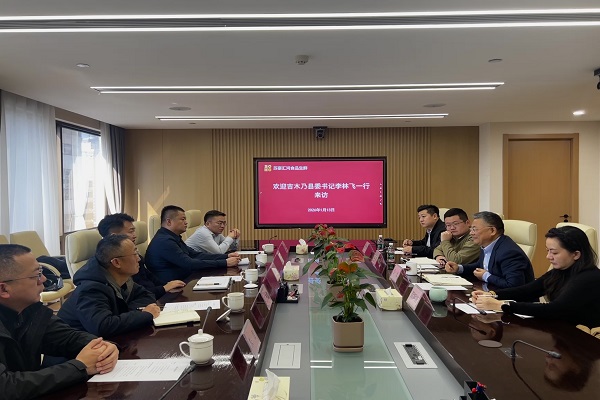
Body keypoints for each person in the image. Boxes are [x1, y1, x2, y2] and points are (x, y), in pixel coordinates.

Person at [0, 244, 118, 399]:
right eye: (36, 275)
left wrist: (104, 348)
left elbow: (68, 338)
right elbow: (6, 387)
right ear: (4, 289)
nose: (44, 279)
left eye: (41, 272)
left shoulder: (29, 309)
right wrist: (79, 367)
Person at [472, 226, 600, 327]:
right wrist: (492, 295)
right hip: (562, 331)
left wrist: (501, 305)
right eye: (548, 251)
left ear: (576, 254)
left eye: (554, 252)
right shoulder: (561, 270)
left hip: (584, 340)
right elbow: (529, 290)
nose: (548, 257)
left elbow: (555, 309)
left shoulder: (588, 278)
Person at [58, 235, 160, 337]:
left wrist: (125, 314)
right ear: (116, 262)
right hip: (74, 345)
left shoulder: (123, 278)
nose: (139, 258)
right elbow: (102, 327)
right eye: (135, 254)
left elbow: (147, 295)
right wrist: (143, 315)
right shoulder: (91, 289)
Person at [98, 213, 185, 298]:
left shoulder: (132, 253)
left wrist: (167, 286)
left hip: (153, 295)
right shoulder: (115, 262)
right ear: (114, 236)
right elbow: (135, 295)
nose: (135, 235)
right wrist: (163, 289)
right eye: (131, 231)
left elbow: (149, 276)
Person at [145, 205, 241, 283]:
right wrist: (224, 262)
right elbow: (189, 263)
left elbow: (195, 254)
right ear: (169, 221)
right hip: (171, 289)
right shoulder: (164, 241)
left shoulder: (172, 237)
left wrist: (226, 256)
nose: (186, 222)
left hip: (185, 279)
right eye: (183, 219)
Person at [444, 211, 534, 289]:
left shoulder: (509, 253)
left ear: (492, 231)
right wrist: (459, 268)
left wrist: (486, 276)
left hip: (511, 300)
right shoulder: (487, 244)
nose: (471, 233)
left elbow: (514, 285)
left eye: (475, 229)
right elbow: (481, 266)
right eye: (471, 229)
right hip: (490, 292)